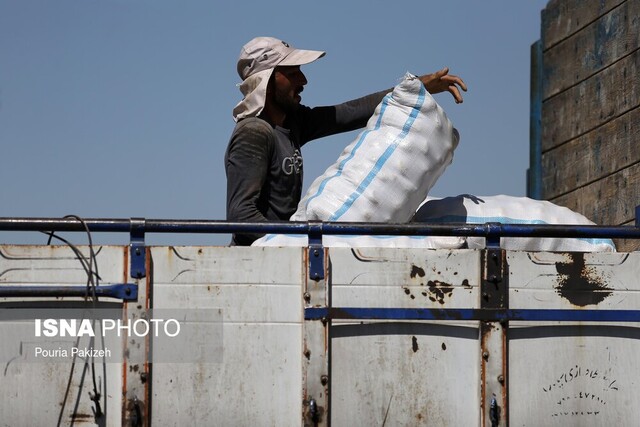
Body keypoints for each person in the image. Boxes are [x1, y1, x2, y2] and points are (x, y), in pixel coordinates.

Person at [225, 36, 467, 246]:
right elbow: (241, 216)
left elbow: (350, 112)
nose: (303, 80)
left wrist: (416, 87)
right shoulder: (254, 133)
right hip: (259, 260)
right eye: (292, 73)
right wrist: (294, 239)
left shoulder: (292, 123)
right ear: (266, 82)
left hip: (283, 250)